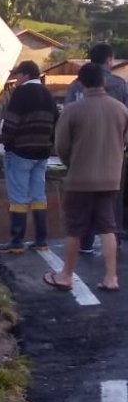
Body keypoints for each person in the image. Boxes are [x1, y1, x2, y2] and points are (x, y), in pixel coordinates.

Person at [45, 62, 128, 292]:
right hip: (111, 179)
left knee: (75, 228)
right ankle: (111, 278)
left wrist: (73, 162)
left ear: (81, 83)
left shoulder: (73, 110)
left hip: (80, 179)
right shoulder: (121, 109)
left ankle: (66, 275)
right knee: (108, 228)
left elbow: (60, 145)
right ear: (103, 82)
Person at [64, 43, 128, 253]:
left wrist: (69, 159)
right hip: (113, 155)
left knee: (80, 209)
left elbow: (65, 127)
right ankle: (114, 242)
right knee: (110, 205)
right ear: (109, 60)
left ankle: (85, 242)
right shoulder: (120, 85)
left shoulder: (75, 86)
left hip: (80, 156)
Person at [0, 61, 58, 253]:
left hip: (21, 151)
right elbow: (57, 122)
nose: (15, 81)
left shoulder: (21, 93)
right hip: (42, 153)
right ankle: (41, 240)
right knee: (39, 195)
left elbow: (11, 122)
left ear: (25, 75)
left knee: (18, 197)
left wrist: (7, 143)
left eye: (17, 76)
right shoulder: (48, 95)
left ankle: (16, 241)